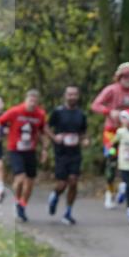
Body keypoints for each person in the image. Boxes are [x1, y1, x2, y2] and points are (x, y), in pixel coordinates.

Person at [0, 89, 51, 222]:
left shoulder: (40, 114)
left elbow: (42, 133)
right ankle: (16, 200)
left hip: (30, 150)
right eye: (30, 101)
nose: (32, 104)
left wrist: (45, 150)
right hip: (15, 149)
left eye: (35, 101)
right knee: (20, 177)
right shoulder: (15, 111)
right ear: (26, 99)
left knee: (30, 181)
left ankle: (22, 205)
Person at [91, 62, 129, 209]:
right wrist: (109, 112)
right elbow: (95, 105)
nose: (128, 78)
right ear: (119, 77)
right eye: (125, 76)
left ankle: (127, 190)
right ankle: (109, 193)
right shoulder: (111, 90)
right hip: (111, 132)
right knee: (112, 160)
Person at [47, 86, 90, 225]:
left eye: (75, 94)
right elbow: (46, 127)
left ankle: (68, 212)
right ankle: (54, 195)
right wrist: (54, 137)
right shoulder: (58, 112)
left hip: (75, 152)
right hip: (61, 152)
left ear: (78, 96)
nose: (72, 97)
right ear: (65, 96)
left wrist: (85, 140)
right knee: (62, 184)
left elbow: (84, 131)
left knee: (73, 181)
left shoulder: (81, 114)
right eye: (69, 94)